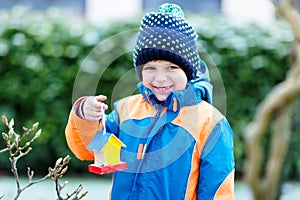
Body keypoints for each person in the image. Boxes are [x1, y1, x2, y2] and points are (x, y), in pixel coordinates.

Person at [65, 3, 235, 199]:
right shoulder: (126, 110)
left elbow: (218, 190)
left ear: (188, 72)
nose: (160, 78)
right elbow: (88, 150)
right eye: (150, 68)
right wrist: (85, 115)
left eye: (172, 68)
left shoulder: (211, 122)